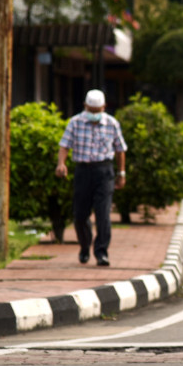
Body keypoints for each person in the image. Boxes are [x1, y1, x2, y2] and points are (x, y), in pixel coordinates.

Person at [55, 89, 127, 266]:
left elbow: (120, 149)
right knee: (80, 215)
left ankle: (101, 252)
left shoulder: (112, 123)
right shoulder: (75, 122)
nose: (94, 114)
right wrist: (61, 163)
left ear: (104, 107)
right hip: (83, 171)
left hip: (104, 172)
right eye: (91, 110)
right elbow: (64, 145)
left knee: (103, 214)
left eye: (97, 110)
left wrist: (121, 173)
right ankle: (85, 245)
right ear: (85, 106)